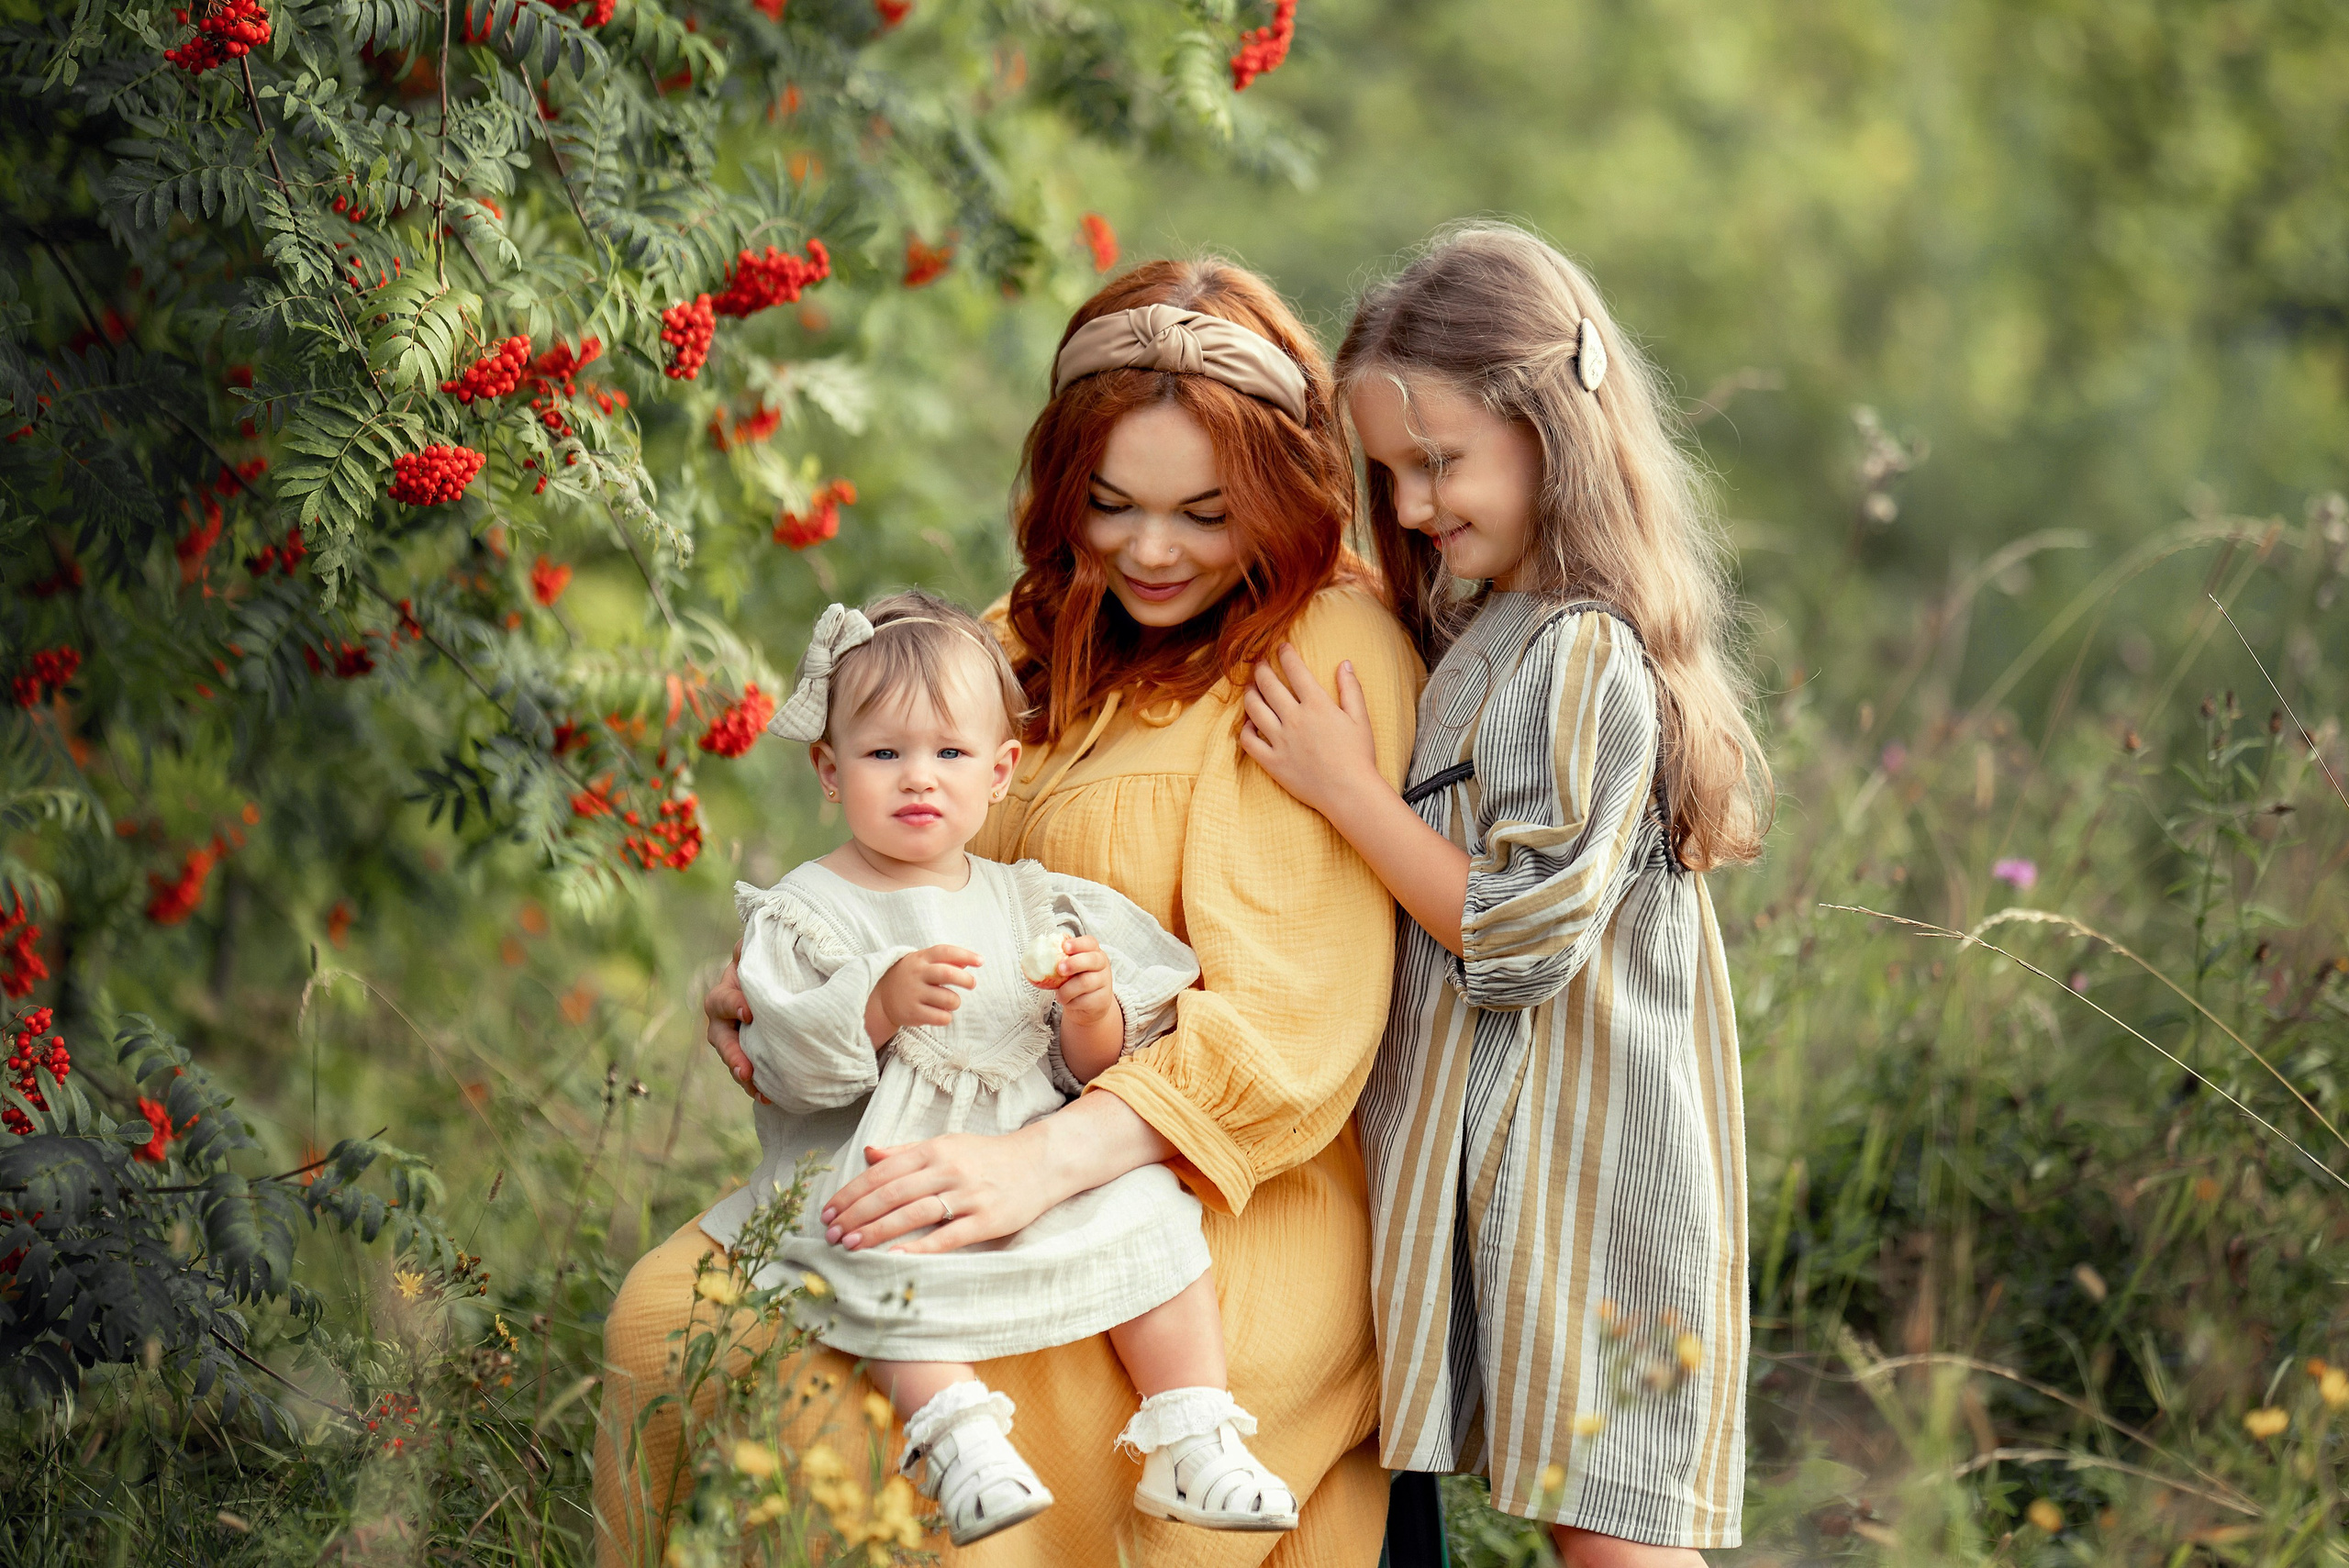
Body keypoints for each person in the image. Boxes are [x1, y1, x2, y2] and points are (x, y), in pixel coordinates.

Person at [595, 257, 1424, 1567]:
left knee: (862, 1419)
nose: (1150, 551)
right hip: (963, 1131)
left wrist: (1032, 1166)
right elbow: (894, 850)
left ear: (1282, 492)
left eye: (1207, 514)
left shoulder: (1320, 649)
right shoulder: (1027, 636)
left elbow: (1291, 1025)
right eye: (1110, 505)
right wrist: (791, 981)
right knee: (663, 1317)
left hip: (1205, 1188)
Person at [1236, 224, 1770, 1564]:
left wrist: (1347, 792)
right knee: (1573, 1514)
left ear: (1550, 426)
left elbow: (1520, 937)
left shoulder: (1585, 651)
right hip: (1527, 1180)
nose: (1412, 507)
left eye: (1438, 464)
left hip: (1607, 1172)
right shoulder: (1487, 632)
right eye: (1390, 475)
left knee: (1617, 1529)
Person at [715, 588, 1298, 1544]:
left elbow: (1087, 1072)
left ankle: (1194, 1433)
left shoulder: (1030, 901)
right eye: (882, 754)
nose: (918, 778)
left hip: (1027, 1149)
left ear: (1000, 770)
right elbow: (784, 1064)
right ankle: (957, 1437)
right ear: (829, 769)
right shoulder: (808, 907)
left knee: (1151, 1210)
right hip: (888, 1155)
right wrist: (877, 1003)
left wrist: (1091, 1007)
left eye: (948, 754)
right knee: (872, 1241)